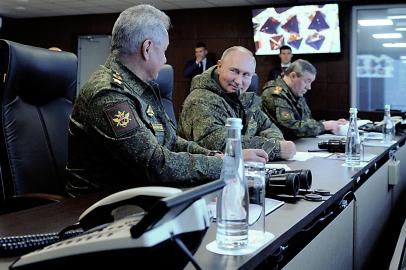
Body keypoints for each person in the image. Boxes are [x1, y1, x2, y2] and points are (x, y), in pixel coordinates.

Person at [66, 5, 268, 197]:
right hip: (100, 208)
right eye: (164, 51)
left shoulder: (141, 87)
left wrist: (218, 158)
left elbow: (172, 141)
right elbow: (156, 164)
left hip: (140, 194)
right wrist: (226, 164)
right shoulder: (108, 94)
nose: (165, 59)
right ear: (147, 48)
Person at [178, 46, 296, 161]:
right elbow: (218, 143)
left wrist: (276, 144)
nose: (239, 81)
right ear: (219, 66)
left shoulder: (243, 98)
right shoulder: (200, 100)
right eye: (234, 71)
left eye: (246, 75)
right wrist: (276, 148)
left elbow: (268, 127)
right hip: (212, 179)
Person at [261, 59, 347, 139]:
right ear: (293, 76)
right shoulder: (275, 93)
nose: (309, 87)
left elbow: (306, 121)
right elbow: (290, 127)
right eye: (307, 81)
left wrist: (331, 124)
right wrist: (324, 126)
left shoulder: (295, 92)